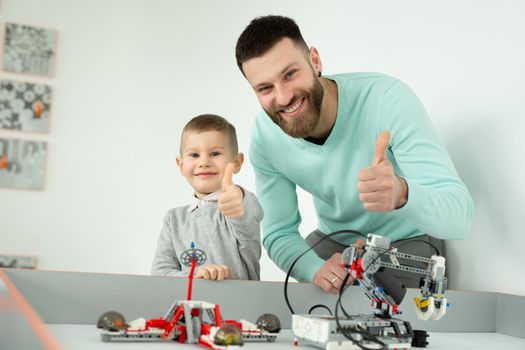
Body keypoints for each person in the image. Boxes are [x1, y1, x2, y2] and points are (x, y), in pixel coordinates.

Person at [235, 15, 473, 293]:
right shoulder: (265, 135)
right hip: (334, 246)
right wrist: (314, 269)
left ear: (315, 61)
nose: (284, 97)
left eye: (290, 74)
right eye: (265, 88)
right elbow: (278, 232)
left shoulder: (387, 98)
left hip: (405, 243)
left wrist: (402, 193)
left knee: (395, 323)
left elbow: (460, 219)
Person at [151, 114, 263, 280]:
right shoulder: (173, 220)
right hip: (191, 304)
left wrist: (237, 196)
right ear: (181, 165)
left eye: (215, 153)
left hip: (240, 303)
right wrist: (196, 277)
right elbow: (160, 273)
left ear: (237, 162)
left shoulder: (239, 206)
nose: (204, 162)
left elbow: (248, 214)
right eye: (194, 155)